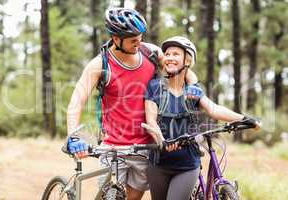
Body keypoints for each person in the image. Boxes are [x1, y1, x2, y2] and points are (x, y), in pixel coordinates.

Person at [65, 8, 199, 200]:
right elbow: (76, 102)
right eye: (133, 39)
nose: (139, 42)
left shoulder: (151, 53)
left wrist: (195, 86)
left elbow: (182, 68)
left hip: (145, 148)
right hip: (113, 148)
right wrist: (73, 136)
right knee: (110, 196)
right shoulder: (100, 65)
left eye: (140, 37)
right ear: (116, 38)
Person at [144, 36, 260, 200]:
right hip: (158, 164)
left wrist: (243, 119)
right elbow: (151, 120)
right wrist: (162, 140)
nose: (169, 57)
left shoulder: (193, 91)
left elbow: (213, 109)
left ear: (187, 61)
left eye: (175, 54)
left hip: (187, 165)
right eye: (167, 54)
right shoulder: (154, 87)